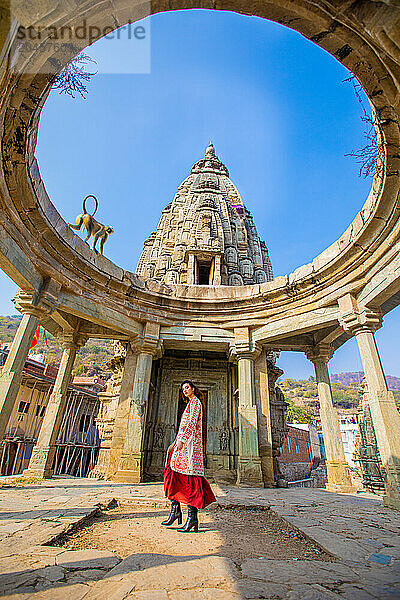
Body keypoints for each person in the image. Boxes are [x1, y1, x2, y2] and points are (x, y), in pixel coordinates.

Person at [162, 380, 216, 532]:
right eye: (183, 389)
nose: (185, 390)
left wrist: (182, 440)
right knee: (172, 473)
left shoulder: (196, 403)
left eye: (187, 387)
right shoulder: (190, 404)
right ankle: (175, 510)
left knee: (189, 480)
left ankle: (191, 518)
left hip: (189, 445)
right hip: (183, 443)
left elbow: (191, 423)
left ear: (193, 388)